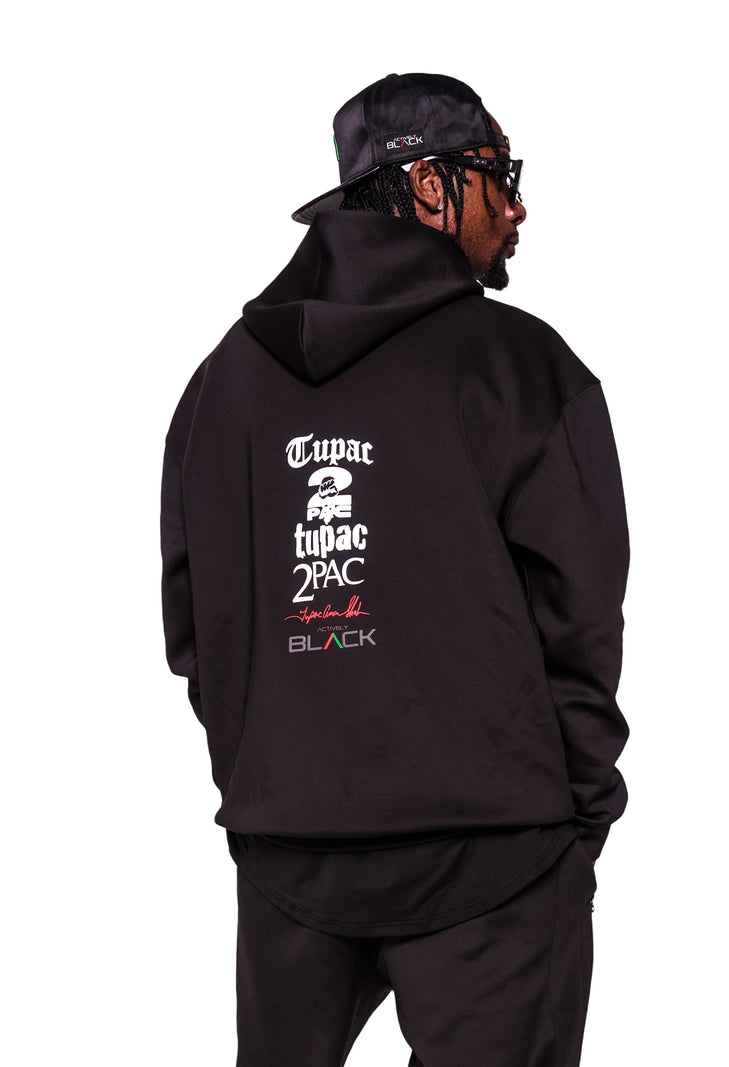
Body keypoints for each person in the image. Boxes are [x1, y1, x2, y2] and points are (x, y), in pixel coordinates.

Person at [160, 72, 631, 1067]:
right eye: (497, 174)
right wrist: (573, 820)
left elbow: (196, 623)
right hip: (493, 862)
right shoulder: (521, 368)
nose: (516, 205)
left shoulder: (220, 382)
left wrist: (275, 779)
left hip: (292, 857)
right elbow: (581, 620)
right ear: (426, 185)